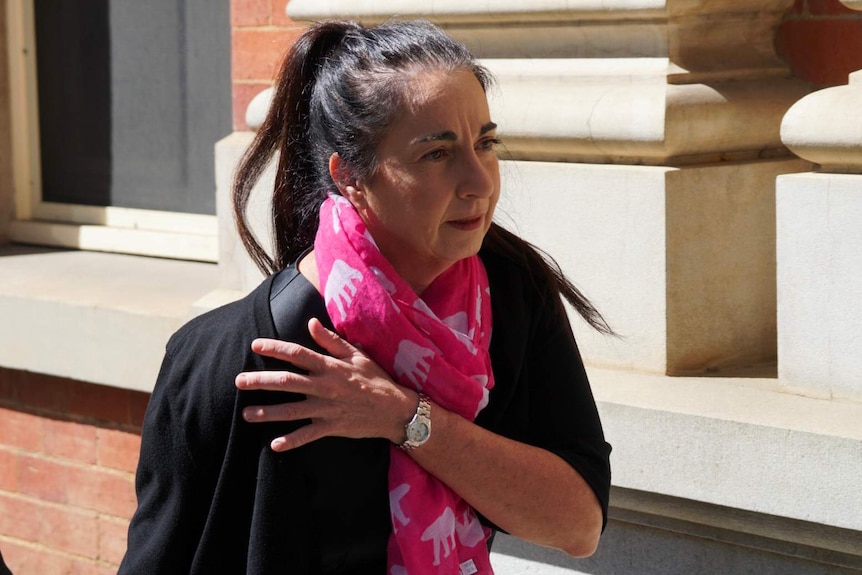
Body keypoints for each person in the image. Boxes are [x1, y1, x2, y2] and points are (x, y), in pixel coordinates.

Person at [119, 19, 612, 575]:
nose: (480, 181)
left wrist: (405, 417)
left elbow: (578, 526)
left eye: (485, 143)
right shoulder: (232, 359)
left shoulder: (513, 294)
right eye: (436, 154)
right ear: (350, 174)